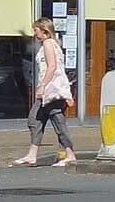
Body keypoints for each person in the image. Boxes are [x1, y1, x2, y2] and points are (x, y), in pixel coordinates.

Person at [13, 18, 76, 168]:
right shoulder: (50, 44)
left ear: (44, 31)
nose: (35, 33)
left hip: (52, 90)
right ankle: (32, 155)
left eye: (36, 30)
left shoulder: (48, 43)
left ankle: (70, 154)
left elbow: (52, 66)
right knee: (34, 120)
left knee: (58, 121)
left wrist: (42, 85)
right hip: (49, 91)